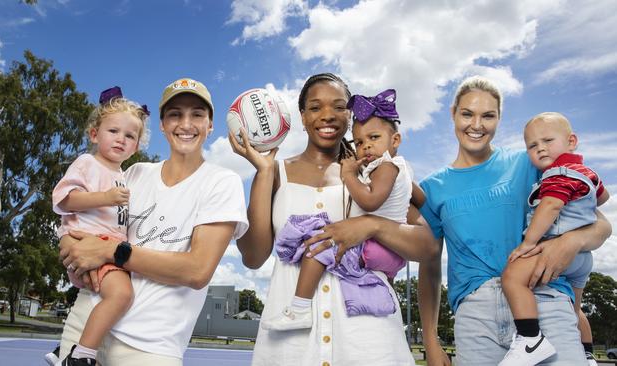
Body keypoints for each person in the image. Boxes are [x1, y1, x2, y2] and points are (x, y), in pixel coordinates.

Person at [230, 72, 437, 366]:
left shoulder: (373, 172)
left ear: (350, 115)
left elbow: (429, 247)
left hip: (367, 340)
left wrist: (371, 225)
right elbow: (253, 257)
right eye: (315, 107)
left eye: (339, 107)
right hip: (292, 344)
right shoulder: (275, 173)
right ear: (302, 117)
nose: (327, 116)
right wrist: (263, 173)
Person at [417, 75, 612, 366]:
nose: (477, 125)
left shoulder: (530, 162)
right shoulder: (432, 188)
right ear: (453, 113)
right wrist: (431, 340)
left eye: (488, 116)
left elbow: (600, 224)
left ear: (499, 119)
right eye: (467, 113)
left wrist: (573, 241)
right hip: (476, 316)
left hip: (543, 296)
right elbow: (430, 267)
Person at [57, 77, 248, 366]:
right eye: (175, 114)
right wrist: (71, 245)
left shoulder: (222, 182)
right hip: (87, 319)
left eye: (197, 114)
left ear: (210, 125)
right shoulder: (133, 175)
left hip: (150, 346)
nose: (185, 123)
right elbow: (83, 226)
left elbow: (197, 271)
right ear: (161, 124)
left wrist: (111, 252)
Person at [261, 89, 412, 331]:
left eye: (374, 138)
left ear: (395, 141)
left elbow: (370, 202)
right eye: (361, 141)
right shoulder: (396, 168)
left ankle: (299, 308)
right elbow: (420, 199)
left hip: (381, 250)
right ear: (302, 115)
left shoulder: (383, 169)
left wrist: (349, 175)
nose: (366, 146)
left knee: (319, 243)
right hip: (388, 253)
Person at [50, 86, 149, 365]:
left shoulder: (124, 175)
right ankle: (81, 356)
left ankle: (67, 345)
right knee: (122, 295)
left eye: (130, 136)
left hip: (106, 247)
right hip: (89, 244)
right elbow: (63, 200)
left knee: (117, 296)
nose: (121, 139)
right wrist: (104, 198)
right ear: (95, 134)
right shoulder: (87, 163)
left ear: (137, 146)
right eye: (113, 131)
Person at [501, 112, 609, 366]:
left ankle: (531, 339)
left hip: (558, 249)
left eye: (548, 140)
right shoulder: (586, 172)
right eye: (532, 145)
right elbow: (601, 199)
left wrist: (528, 243)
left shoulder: (557, 174)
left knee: (513, 277)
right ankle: (588, 353)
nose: (540, 149)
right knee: (575, 307)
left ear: (572, 141)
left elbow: (550, 206)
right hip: (583, 259)